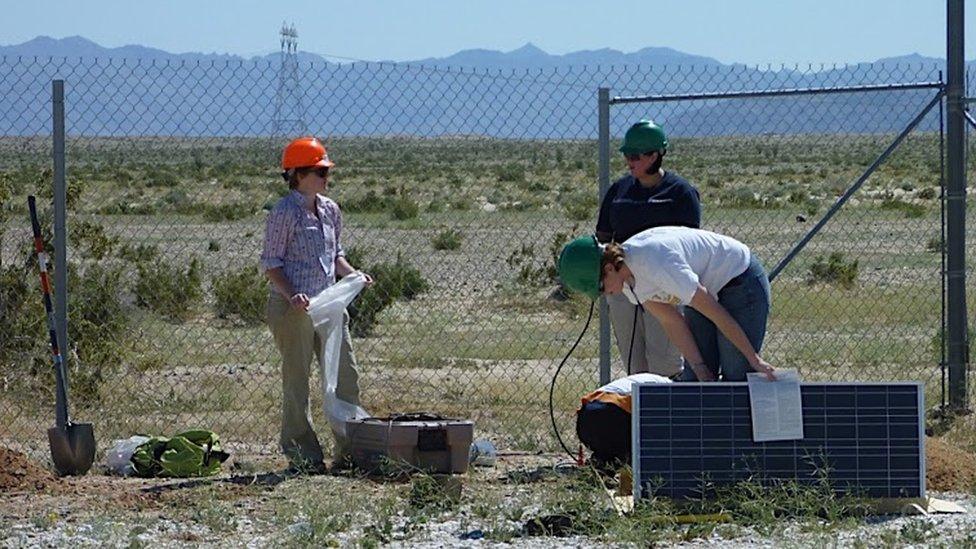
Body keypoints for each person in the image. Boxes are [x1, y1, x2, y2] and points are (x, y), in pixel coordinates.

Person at [261, 136, 373, 474]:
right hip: (293, 309)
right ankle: (303, 455)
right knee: (297, 381)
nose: (325, 177)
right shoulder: (284, 213)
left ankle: (350, 452)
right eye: (319, 171)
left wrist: (354, 276)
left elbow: (335, 254)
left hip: (328, 306)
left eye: (326, 171)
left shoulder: (330, 210)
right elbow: (271, 263)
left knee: (345, 376)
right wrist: (291, 294)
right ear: (297, 173)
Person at [558, 227, 774, 382]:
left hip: (739, 282)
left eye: (601, 288)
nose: (605, 295)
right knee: (695, 378)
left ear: (608, 269)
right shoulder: (627, 282)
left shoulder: (655, 263)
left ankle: (738, 445)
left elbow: (716, 313)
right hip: (701, 292)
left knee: (736, 373)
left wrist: (753, 359)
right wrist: (699, 368)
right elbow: (671, 321)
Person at [595, 119, 701, 377]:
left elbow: (688, 246)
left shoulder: (680, 193)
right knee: (634, 364)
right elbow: (603, 237)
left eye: (635, 155)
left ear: (655, 155)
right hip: (622, 285)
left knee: (664, 361)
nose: (629, 161)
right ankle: (639, 413)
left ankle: (666, 411)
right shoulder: (618, 192)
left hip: (662, 286)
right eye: (626, 155)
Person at [576, 373, 671, 470]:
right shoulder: (669, 391)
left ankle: (599, 468)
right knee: (635, 453)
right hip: (609, 415)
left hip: (585, 419)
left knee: (608, 453)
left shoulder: (656, 381)